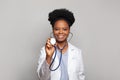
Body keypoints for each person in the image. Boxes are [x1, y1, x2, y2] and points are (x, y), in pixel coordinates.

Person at [37, 8, 85, 80]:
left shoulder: (77, 52)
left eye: (64, 29)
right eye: (57, 29)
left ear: (69, 30)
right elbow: (42, 77)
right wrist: (48, 57)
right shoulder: (44, 51)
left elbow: (81, 76)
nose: (61, 32)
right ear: (53, 30)